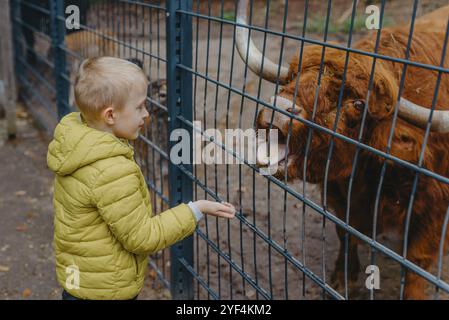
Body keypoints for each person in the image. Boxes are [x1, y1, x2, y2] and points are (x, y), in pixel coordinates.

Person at [47, 56, 235, 300]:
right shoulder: (111, 169)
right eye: (139, 107)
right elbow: (142, 237)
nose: (146, 114)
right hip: (105, 290)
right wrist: (195, 210)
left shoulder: (77, 145)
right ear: (110, 115)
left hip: (80, 279)